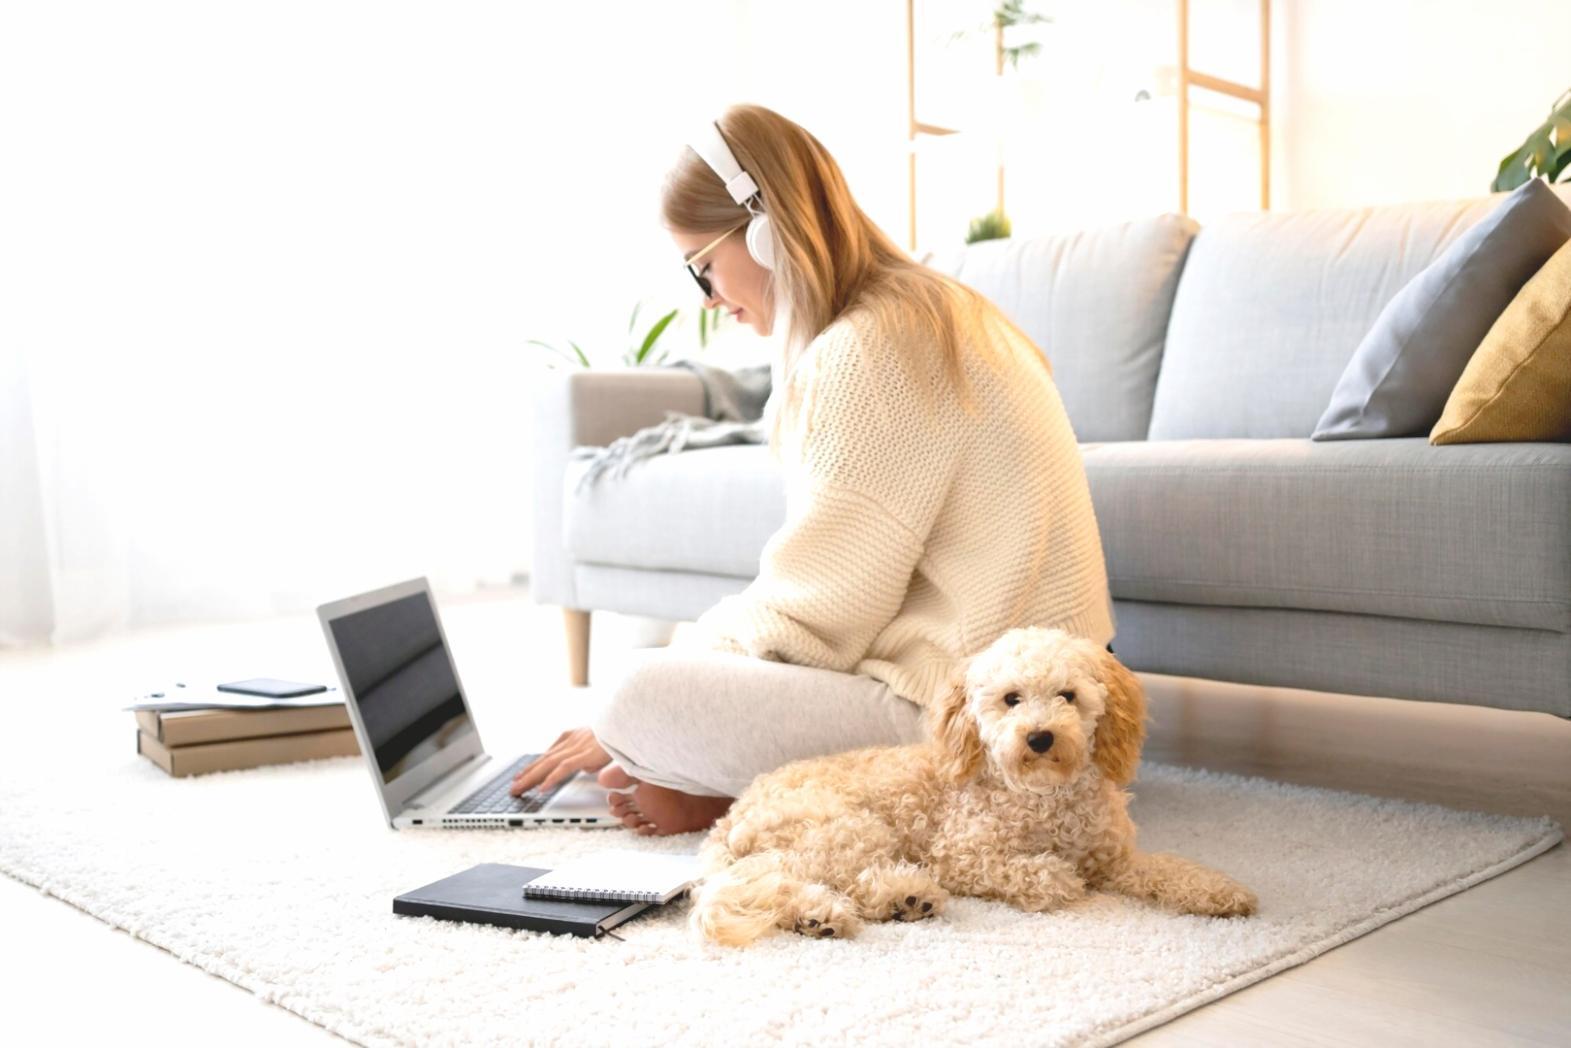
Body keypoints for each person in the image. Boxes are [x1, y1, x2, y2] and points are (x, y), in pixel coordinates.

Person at [510, 103, 1115, 836]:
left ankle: (758, 791)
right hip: (1050, 703)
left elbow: (818, 612)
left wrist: (621, 723)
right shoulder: (933, 311)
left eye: (704, 267)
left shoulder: (866, 346)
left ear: (766, 232)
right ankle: (734, 786)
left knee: (633, 690)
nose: (708, 299)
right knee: (669, 683)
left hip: (970, 716)